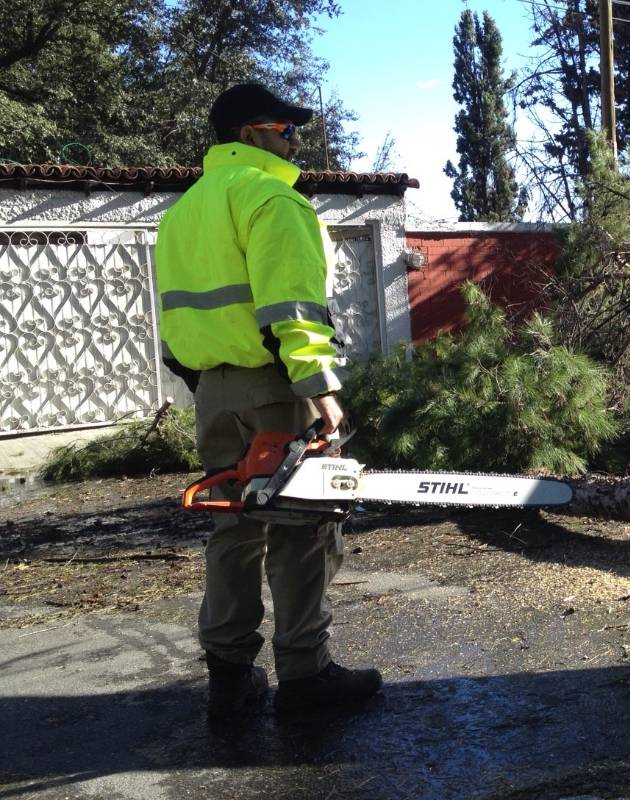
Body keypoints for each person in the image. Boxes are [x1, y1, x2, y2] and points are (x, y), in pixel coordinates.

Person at [154, 83, 381, 720]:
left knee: (235, 528)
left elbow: (177, 317)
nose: (294, 141)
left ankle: (229, 676)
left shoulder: (185, 211)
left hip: (213, 391)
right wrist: (321, 387)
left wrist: (207, 383)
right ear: (254, 133)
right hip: (276, 387)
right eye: (286, 130)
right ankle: (306, 675)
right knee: (303, 529)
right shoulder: (272, 200)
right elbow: (294, 309)